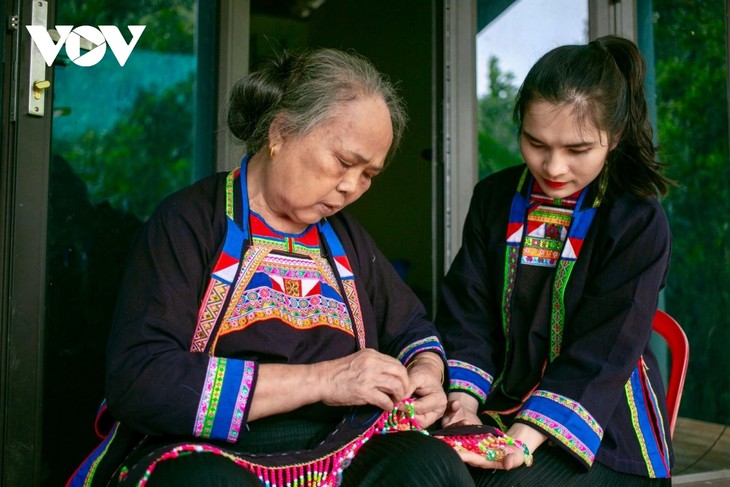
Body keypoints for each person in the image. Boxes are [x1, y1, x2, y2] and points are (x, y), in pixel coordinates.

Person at [68, 48, 474, 486]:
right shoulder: (190, 221)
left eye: (369, 175)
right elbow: (142, 378)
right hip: (215, 451)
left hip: (343, 447)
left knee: (431, 465)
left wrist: (426, 374)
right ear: (280, 133)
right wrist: (325, 379)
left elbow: (411, 326)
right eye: (343, 162)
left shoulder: (347, 238)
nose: (351, 187)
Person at [436, 35, 674, 486]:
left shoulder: (637, 219)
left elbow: (607, 347)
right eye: (535, 142)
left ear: (615, 137)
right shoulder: (493, 198)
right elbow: (468, 309)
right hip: (494, 401)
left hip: (605, 425)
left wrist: (526, 435)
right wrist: (462, 402)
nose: (554, 167)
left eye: (578, 150)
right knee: (421, 467)